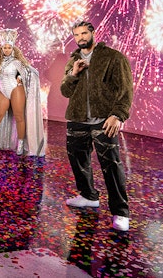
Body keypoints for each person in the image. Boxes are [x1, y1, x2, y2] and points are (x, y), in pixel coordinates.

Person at [59, 20, 133, 232]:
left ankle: (120, 212)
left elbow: (125, 90)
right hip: (77, 118)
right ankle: (88, 196)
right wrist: (73, 73)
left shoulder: (112, 57)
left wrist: (118, 115)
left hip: (103, 119)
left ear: (93, 32)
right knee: (78, 160)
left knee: (111, 164)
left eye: (84, 33)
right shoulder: (73, 59)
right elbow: (65, 91)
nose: (80, 38)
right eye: (76, 35)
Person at [0, 28, 46, 156]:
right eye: (5, 48)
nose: (7, 50)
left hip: (16, 90)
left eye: (9, 48)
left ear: (13, 49)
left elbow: (30, 72)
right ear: (1, 49)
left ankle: (20, 144)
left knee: (19, 117)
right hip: (3, 92)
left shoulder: (17, 62)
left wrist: (21, 77)